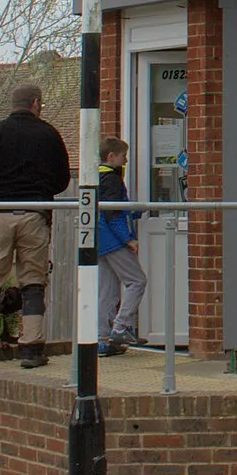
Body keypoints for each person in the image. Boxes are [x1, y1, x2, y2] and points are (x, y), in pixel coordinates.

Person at [0, 82, 70, 369]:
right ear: (36, 103)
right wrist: (43, 188)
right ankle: (31, 348)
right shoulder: (49, 135)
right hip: (35, 214)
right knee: (33, 281)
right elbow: (63, 179)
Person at [96, 137, 148, 356]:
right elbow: (113, 213)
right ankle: (121, 327)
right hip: (113, 240)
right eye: (123, 156)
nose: (125, 160)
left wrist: (136, 210)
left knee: (106, 291)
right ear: (111, 157)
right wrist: (128, 239)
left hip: (98, 241)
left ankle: (102, 339)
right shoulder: (112, 180)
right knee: (137, 281)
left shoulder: (96, 177)